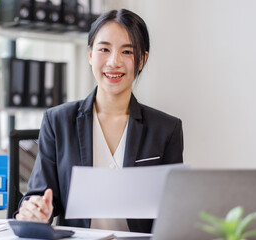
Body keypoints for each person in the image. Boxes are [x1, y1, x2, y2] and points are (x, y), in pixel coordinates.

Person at [15, 8, 184, 233]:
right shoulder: (58, 121)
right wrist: (35, 210)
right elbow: (39, 195)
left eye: (127, 52)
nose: (114, 62)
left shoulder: (166, 129)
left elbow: (175, 209)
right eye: (104, 49)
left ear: (142, 59)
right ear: (90, 55)